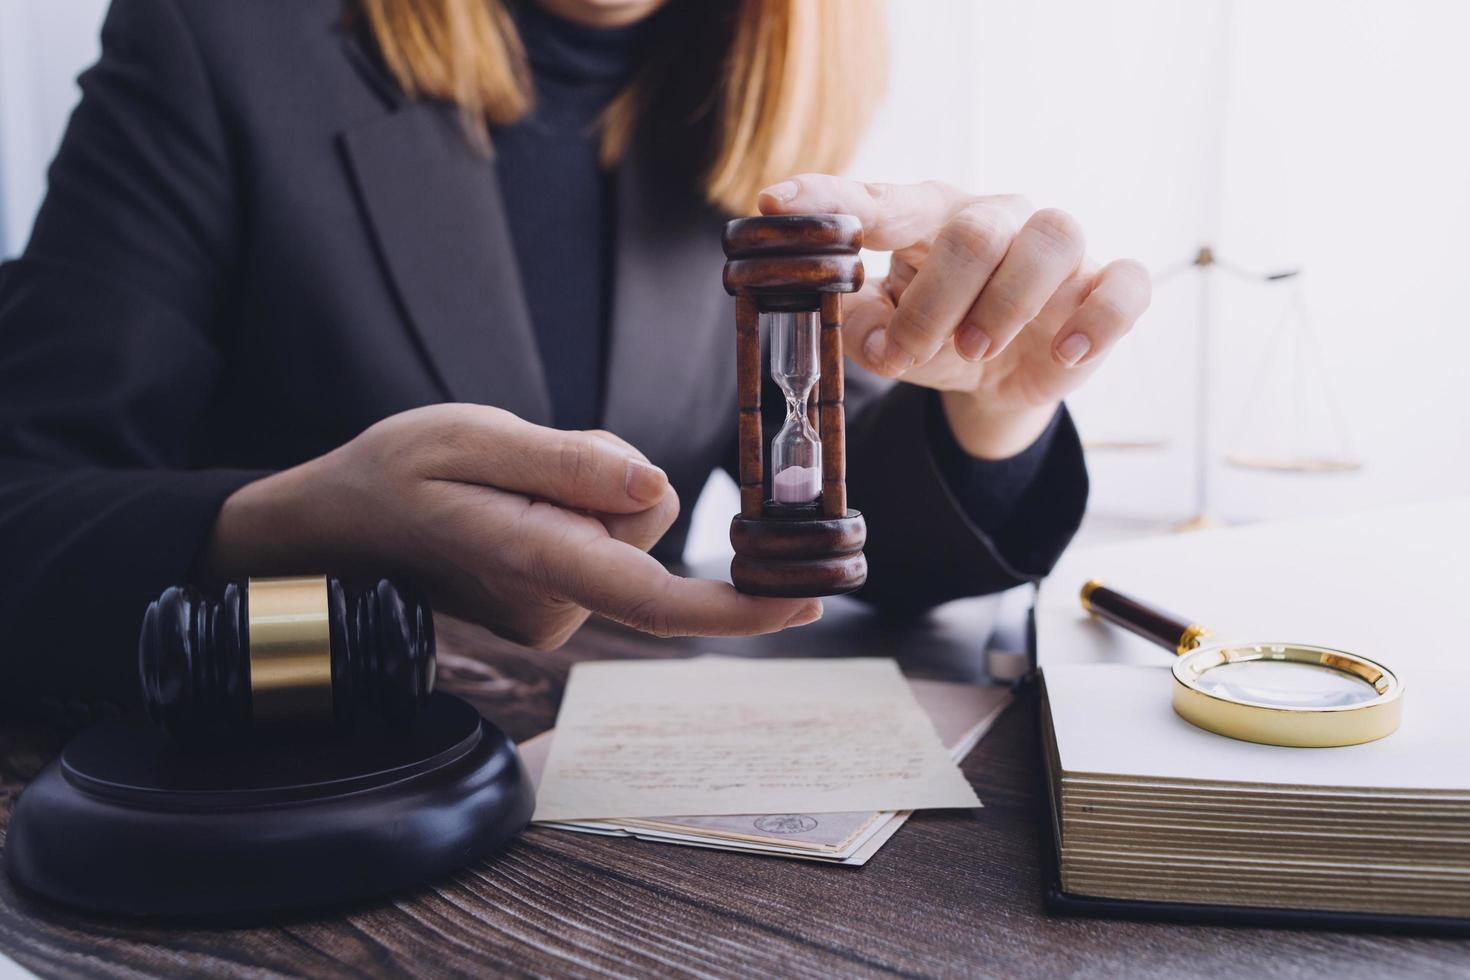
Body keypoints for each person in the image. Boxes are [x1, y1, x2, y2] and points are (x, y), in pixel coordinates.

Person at [0, 0, 1149, 720]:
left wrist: (991, 411)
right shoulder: (217, 38)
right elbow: (24, 512)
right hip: (280, 765)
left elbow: (838, 524)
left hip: (608, 825)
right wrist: (296, 519)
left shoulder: (751, 79)